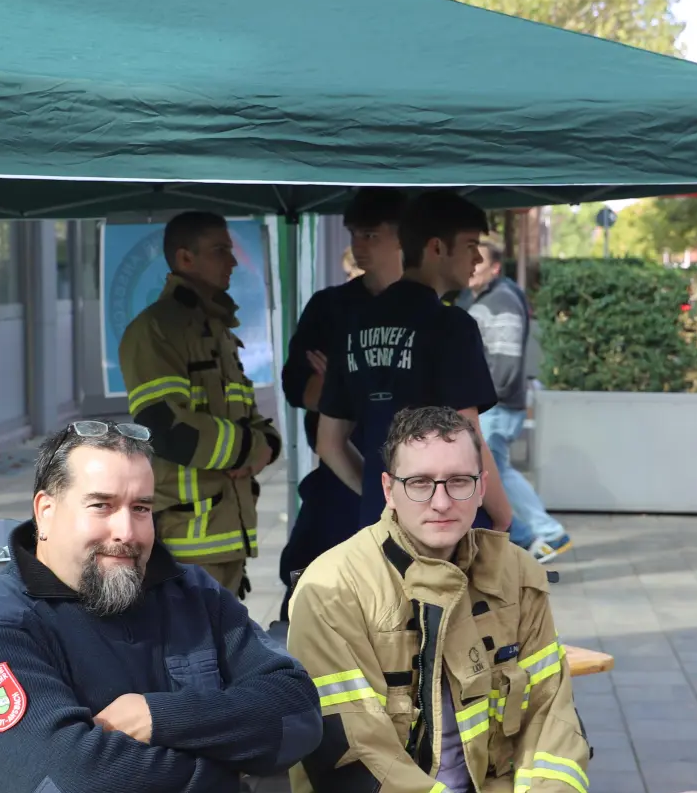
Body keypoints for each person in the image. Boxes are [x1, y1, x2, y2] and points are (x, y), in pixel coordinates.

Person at [0, 421, 322, 793]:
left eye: (141, 508)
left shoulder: (192, 594)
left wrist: (158, 717)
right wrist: (231, 775)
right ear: (45, 512)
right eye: (102, 505)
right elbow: (78, 790)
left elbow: (298, 714)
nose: (126, 531)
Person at [287, 406, 594, 793]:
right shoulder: (331, 589)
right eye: (419, 483)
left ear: (482, 486)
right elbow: (355, 761)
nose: (442, 501)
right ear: (388, 490)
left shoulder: (518, 574)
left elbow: (551, 719)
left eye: (458, 481)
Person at [316, 189, 514, 533]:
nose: (478, 260)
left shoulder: (354, 325)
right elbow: (469, 439)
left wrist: (386, 496)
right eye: (470, 246)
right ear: (436, 248)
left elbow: (328, 444)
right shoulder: (451, 326)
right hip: (443, 526)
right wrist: (503, 514)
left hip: (378, 527)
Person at [118, 210, 280, 597]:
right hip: (185, 545)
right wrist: (248, 449)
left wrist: (266, 446)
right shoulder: (156, 330)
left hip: (227, 536)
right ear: (185, 258)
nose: (233, 261)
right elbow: (167, 429)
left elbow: (251, 418)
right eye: (220, 250)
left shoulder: (218, 331)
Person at [277, 189, 406, 622]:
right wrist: (347, 385)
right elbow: (298, 390)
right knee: (310, 592)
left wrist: (344, 380)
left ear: (401, 239)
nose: (358, 246)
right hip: (337, 481)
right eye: (354, 235)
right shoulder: (329, 307)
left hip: (409, 483)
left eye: (370, 235)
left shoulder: (426, 311)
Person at [460, 238, 571, 562]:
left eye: (478, 264)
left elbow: (505, 365)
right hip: (494, 404)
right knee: (499, 470)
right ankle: (547, 534)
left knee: (492, 471)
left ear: (494, 268)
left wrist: (478, 405)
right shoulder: (479, 296)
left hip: (497, 405)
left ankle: (541, 535)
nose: (471, 269)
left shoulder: (502, 301)